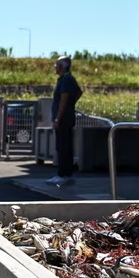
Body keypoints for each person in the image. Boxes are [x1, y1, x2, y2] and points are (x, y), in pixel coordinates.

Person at [47, 55, 83, 186]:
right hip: (66, 117)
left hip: (63, 118)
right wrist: (71, 105)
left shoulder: (66, 79)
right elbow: (79, 92)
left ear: (62, 67)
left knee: (63, 146)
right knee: (64, 145)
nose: (55, 67)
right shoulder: (66, 79)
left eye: (57, 65)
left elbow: (64, 98)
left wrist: (58, 117)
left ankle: (63, 174)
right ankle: (65, 173)